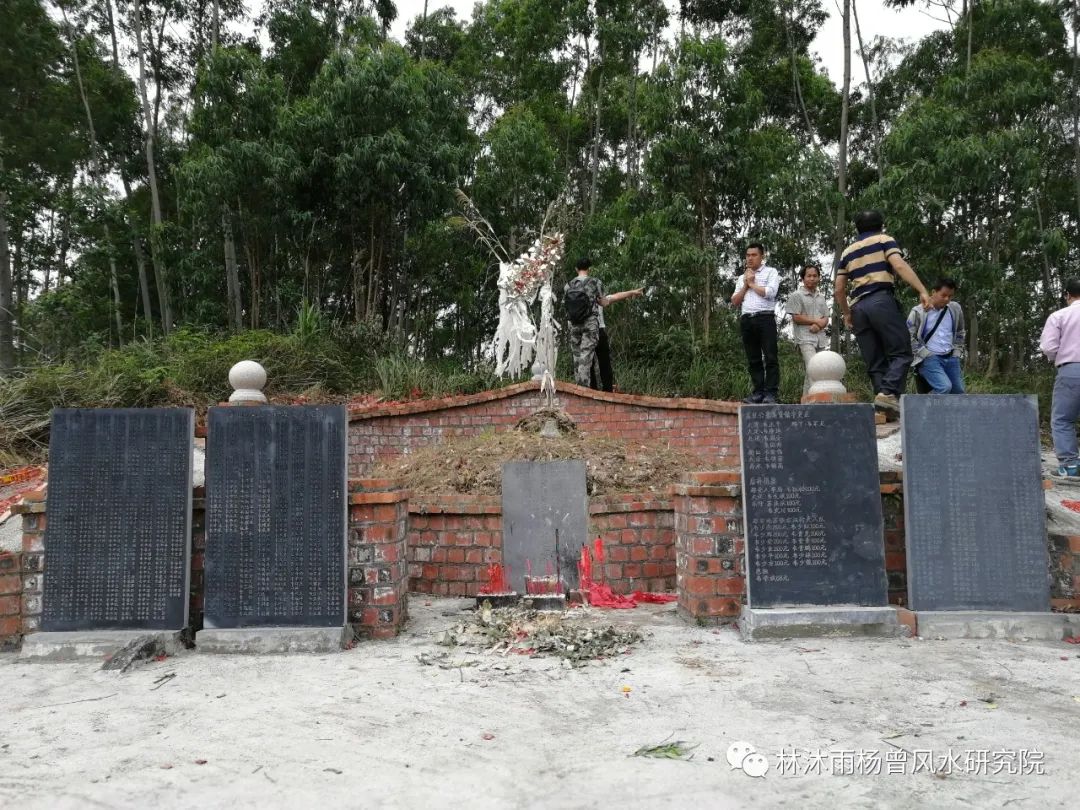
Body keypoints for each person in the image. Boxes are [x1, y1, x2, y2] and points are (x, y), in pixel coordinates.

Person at [835, 210, 931, 414]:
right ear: (881, 225)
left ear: (858, 228)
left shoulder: (847, 251)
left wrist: (846, 313)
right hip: (880, 300)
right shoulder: (884, 239)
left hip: (858, 307)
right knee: (902, 352)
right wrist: (922, 289)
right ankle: (888, 392)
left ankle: (883, 408)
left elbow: (839, 289)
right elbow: (898, 264)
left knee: (874, 360)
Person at [564, 258, 643, 389]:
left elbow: (566, 306)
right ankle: (585, 390)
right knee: (589, 358)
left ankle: (581, 388)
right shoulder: (595, 282)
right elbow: (604, 302)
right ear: (589, 268)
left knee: (578, 357)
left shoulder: (568, 285)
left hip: (574, 325)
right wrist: (599, 301)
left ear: (576, 269)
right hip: (591, 326)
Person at [1039, 278, 1080, 478]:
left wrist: (1060, 357)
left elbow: (1048, 347)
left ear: (1067, 295)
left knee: (1063, 419)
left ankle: (1070, 466)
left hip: (1071, 370)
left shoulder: (1059, 316)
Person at [731, 242, 780, 403]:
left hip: (765, 318)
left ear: (762, 256)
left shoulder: (771, 272)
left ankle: (771, 393)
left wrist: (752, 283)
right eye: (748, 255)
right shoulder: (741, 278)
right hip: (747, 320)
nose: (750, 258)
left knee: (771, 357)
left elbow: (770, 293)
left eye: (754, 255)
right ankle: (758, 392)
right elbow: (735, 301)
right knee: (753, 359)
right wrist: (746, 284)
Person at [907, 277, 966, 394]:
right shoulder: (918, 311)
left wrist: (957, 352)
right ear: (933, 292)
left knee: (958, 391)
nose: (947, 299)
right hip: (929, 357)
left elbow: (960, 331)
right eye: (943, 295)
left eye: (950, 296)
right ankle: (921, 407)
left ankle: (942, 411)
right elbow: (908, 335)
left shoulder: (955, 309)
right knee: (944, 387)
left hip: (951, 357)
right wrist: (923, 354)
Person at [787, 263, 830, 397]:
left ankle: (805, 400)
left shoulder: (821, 297)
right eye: (809, 276)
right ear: (803, 278)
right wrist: (816, 321)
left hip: (821, 339)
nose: (812, 278)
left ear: (818, 278)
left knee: (814, 370)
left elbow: (826, 317)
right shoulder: (796, 295)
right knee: (814, 368)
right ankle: (819, 399)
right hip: (805, 339)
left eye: (815, 276)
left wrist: (819, 325)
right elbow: (796, 317)